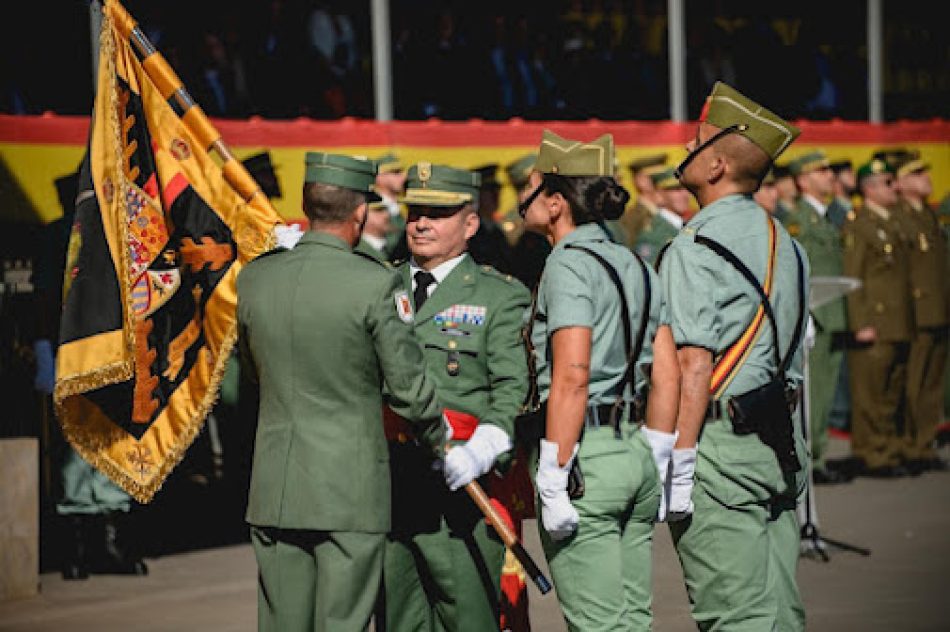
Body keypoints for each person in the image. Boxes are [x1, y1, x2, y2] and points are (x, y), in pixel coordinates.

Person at [237, 152, 447, 632]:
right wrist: (441, 440)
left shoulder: (255, 279)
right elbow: (410, 392)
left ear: (307, 205)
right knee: (343, 623)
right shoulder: (374, 283)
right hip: (349, 488)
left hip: (276, 485)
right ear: (359, 213)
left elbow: (253, 375)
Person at [659, 82, 808, 630]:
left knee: (734, 617)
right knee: (781, 612)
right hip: (778, 440)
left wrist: (680, 461)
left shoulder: (694, 244)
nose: (683, 153)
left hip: (717, 447)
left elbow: (694, 363)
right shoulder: (784, 241)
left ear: (717, 165)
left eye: (694, 145)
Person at [522, 130, 681, 630]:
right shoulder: (632, 260)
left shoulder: (567, 264)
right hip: (632, 451)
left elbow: (571, 376)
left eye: (529, 190)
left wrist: (552, 471)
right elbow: (667, 371)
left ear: (554, 204)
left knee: (598, 625)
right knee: (632, 621)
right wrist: (654, 453)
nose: (519, 201)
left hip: (584, 459)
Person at [382, 162, 531, 631]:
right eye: (415, 212)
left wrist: (486, 444)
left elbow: (512, 387)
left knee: (467, 618)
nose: (421, 223)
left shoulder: (499, 296)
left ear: (470, 224)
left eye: (438, 213)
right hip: (389, 482)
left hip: (462, 487)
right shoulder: (378, 287)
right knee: (398, 619)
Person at [33, 165, 148, 581]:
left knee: (105, 441)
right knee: (78, 447)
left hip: (107, 352)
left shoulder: (113, 232)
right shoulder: (59, 236)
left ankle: (104, 539)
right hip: (73, 352)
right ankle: (81, 542)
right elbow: (45, 300)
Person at [782, 150, 851, 484]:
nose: (829, 176)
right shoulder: (799, 220)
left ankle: (820, 455)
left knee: (826, 391)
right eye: (820, 171)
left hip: (832, 312)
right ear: (803, 180)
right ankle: (811, 459)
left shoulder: (823, 217)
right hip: (815, 315)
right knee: (816, 393)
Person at [843, 158, 914, 478]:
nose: (894, 187)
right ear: (869, 189)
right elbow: (853, 276)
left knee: (892, 391)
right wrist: (860, 323)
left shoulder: (893, 221)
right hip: (875, 320)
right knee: (871, 393)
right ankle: (872, 453)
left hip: (898, 321)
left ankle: (890, 448)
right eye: (887, 182)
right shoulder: (860, 223)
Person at [892, 152, 949, 471]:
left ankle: (924, 444)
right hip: (915, 313)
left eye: (924, 173)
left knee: (930, 385)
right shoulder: (899, 217)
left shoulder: (929, 215)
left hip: (938, 309)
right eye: (915, 175)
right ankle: (908, 445)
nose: (925, 179)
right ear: (899, 184)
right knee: (911, 384)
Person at [632, 166, 691, 264]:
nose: (684, 194)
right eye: (676, 190)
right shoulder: (653, 235)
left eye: (686, 188)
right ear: (659, 195)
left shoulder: (687, 226)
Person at [468, 163, 515, 274]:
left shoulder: (496, 231)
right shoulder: (471, 232)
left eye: (497, 189)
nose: (495, 195)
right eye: (489, 190)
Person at [617, 153, 667, 248]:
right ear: (641, 181)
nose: (664, 182)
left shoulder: (667, 214)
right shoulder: (633, 219)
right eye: (657, 178)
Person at [373, 152, 409, 259]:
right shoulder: (372, 209)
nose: (403, 176)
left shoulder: (401, 208)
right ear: (379, 177)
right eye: (395, 172)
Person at [827, 159, 856, 228]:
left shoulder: (852, 206)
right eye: (849, 173)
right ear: (835, 179)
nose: (854, 176)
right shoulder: (834, 212)